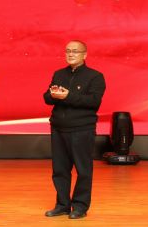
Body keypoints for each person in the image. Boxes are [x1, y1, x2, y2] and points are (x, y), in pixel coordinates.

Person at [43, 40, 106, 220]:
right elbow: (46, 97)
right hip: (58, 128)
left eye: (75, 51)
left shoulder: (95, 76)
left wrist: (68, 96)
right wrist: (54, 94)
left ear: (85, 55)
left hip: (82, 129)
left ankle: (80, 206)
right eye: (68, 51)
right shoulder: (59, 74)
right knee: (60, 170)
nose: (71, 54)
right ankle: (62, 205)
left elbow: (93, 102)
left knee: (83, 170)